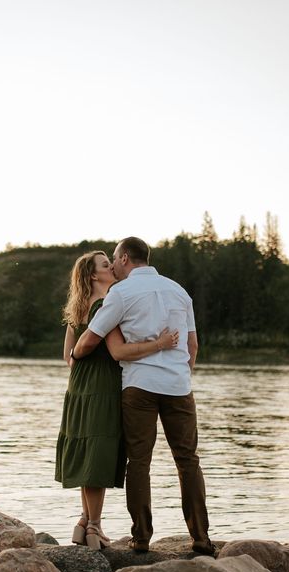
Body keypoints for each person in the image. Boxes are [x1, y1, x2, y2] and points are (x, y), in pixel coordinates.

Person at [72, 237, 214, 555]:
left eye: (114, 259)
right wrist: (180, 373)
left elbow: (91, 338)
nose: (113, 265)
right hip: (179, 388)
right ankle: (202, 539)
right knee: (188, 461)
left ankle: (142, 538)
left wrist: (75, 356)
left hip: (139, 388)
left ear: (124, 259)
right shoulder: (179, 291)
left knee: (139, 462)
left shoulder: (121, 294)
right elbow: (192, 346)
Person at [56, 250, 178, 550]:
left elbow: (68, 356)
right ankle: (95, 527)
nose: (112, 267)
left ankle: (83, 522)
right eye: (105, 265)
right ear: (94, 275)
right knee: (97, 453)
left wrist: (82, 363)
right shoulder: (104, 306)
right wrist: (159, 344)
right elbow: (117, 351)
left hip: (79, 385)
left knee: (87, 449)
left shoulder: (77, 309)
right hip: (103, 385)